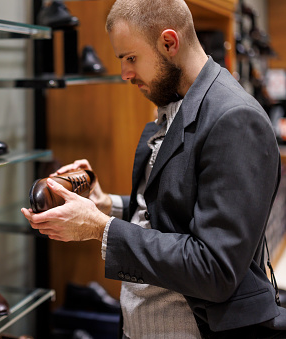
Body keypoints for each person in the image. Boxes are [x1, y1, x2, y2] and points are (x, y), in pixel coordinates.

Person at [21, 0, 286, 338]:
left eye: (130, 58)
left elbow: (215, 269)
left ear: (169, 43)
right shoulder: (177, 105)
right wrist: (108, 205)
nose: (125, 74)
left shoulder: (234, 119)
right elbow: (170, 215)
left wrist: (100, 228)